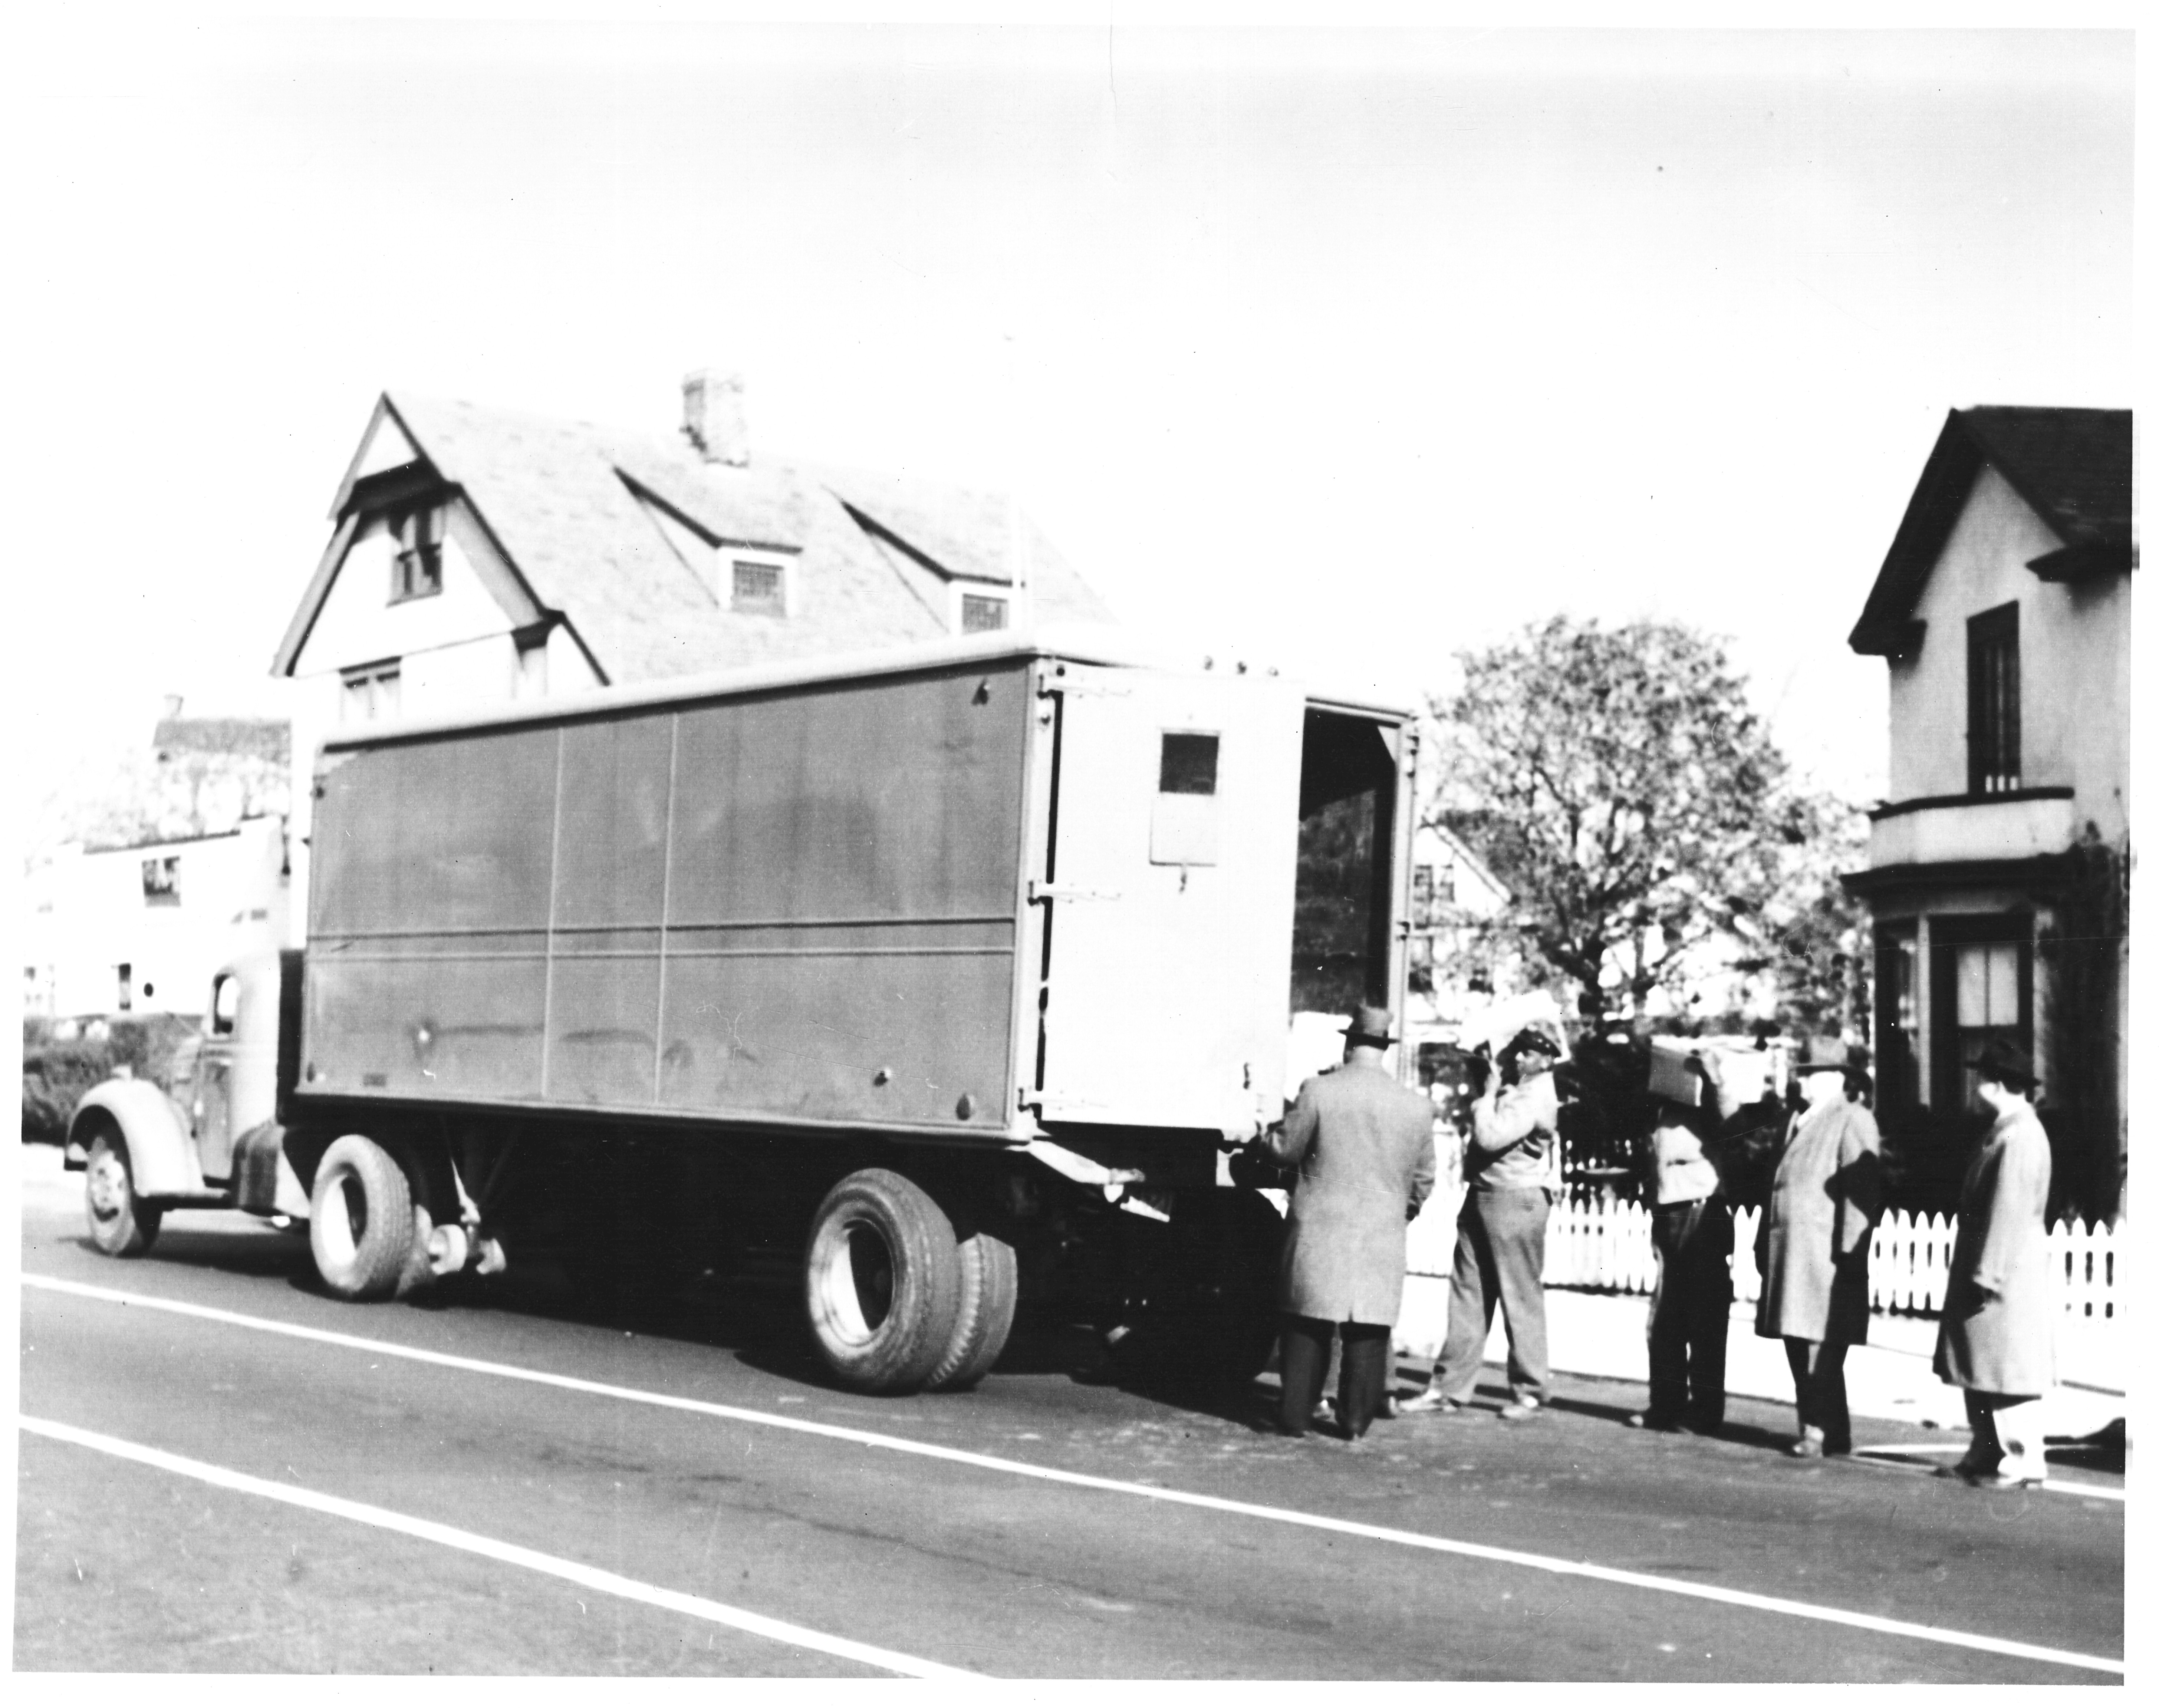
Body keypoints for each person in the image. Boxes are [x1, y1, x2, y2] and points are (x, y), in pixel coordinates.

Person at [1253, 1003, 1438, 1439]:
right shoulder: (1416, 1107)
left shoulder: (1319, 1090)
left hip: (1319, 1228)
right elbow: (1424, 1179)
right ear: (1384, 1048)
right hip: (1381, 1234)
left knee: (1307, 1321)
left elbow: (1284, 1149)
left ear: (1350, 1044)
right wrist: (1398, 1214)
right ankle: (1354, 1422)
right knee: (1368, 1330)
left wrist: (1263, 1133)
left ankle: (1295, 1416)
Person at [1399, 1023, 1565, 1422]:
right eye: (1518, 1050)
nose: (1518, 1058)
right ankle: (1448, 1388)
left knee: (1518, 1297)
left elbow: (1491, 1136)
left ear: (1546, 1060)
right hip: (1486, 1195)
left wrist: (1488, 1094)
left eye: (1528, 1053)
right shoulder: (1518, 1091)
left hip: (1513, 1200)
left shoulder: (1535, 1095)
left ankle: (1530, 1390)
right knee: (1468, 1296)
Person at [1933, 1040, 2054, 1488]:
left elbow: (2009, 1209)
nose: (1977, 1083)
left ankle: (2023, 1458)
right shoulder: (2007, 1130)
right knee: (1981, 1363)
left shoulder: (2020, 1136)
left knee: (2006, 1368)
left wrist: (1988, 1273)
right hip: (1993, 1262)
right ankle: (1986, 1450)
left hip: (2004, 1269)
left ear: (1998, 1084)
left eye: (1982, 1076)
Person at [1754, 1037, 1882, 1458]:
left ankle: (1818, 1430)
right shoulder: (1795, 1119)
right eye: (1803, 1073)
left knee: (1819, 1348)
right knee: (1798, 1342)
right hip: (1791, 1253)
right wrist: (1761, 1242)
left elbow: (1861, 1193)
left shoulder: (1852, 1119)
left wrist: (1850, 1255)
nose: (1805, 1081)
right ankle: (1826, 1429)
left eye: (1815, 1074)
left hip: (1824, 1257)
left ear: (1840, 1078)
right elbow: (1774, 1188)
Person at [1628, 1055, 1733, 1434]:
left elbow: (1731, 1121)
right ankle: (1665, 1404)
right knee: (1665, 1318)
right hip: (1668, 1212)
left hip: (1701, 1211)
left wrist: (1714, 1079)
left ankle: (1704, 1410)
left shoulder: (1707, 1103)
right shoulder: (1660, 1109)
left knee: (1703, 1317)